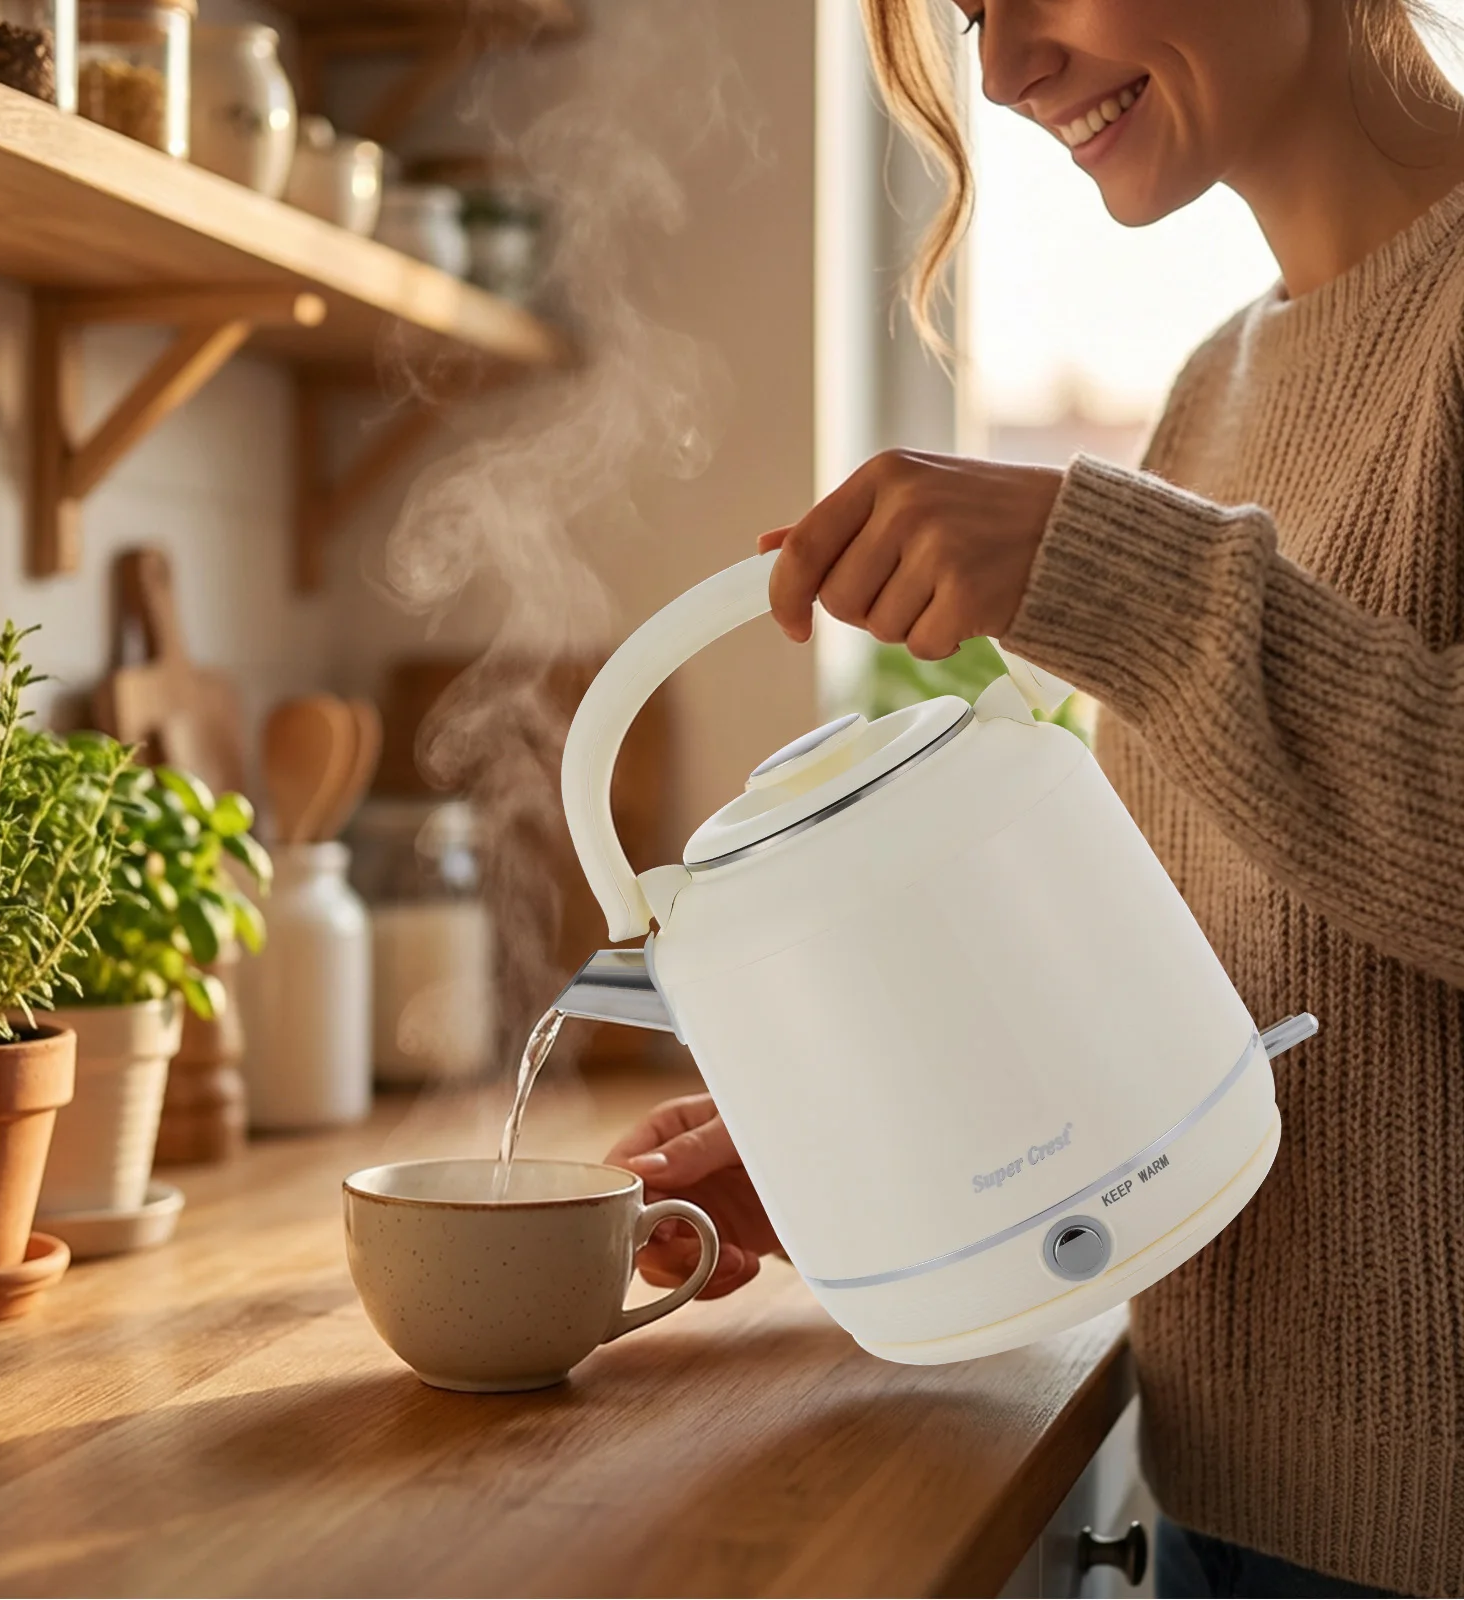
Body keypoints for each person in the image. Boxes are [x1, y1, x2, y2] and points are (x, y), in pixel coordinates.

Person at [604, 3, 1464, 1596]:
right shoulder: (1220, 390)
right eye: (974, 9)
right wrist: (858, 1131)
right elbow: (1224, 969)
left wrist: (1120, 575)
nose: (1000, 72)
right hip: (1236, 1498)